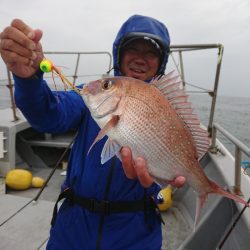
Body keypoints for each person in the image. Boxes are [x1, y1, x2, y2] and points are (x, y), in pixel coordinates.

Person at [0, 15, 185, 250]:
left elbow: (173, 167)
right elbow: (48, 115)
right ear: (119, 53)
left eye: (150, 53)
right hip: (74, 227)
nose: (141, 58)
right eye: (133, 49)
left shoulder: (167, 110)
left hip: (136, 232)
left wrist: (160, 182)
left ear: (161, 61)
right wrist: (28, 79)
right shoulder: (95, 95)